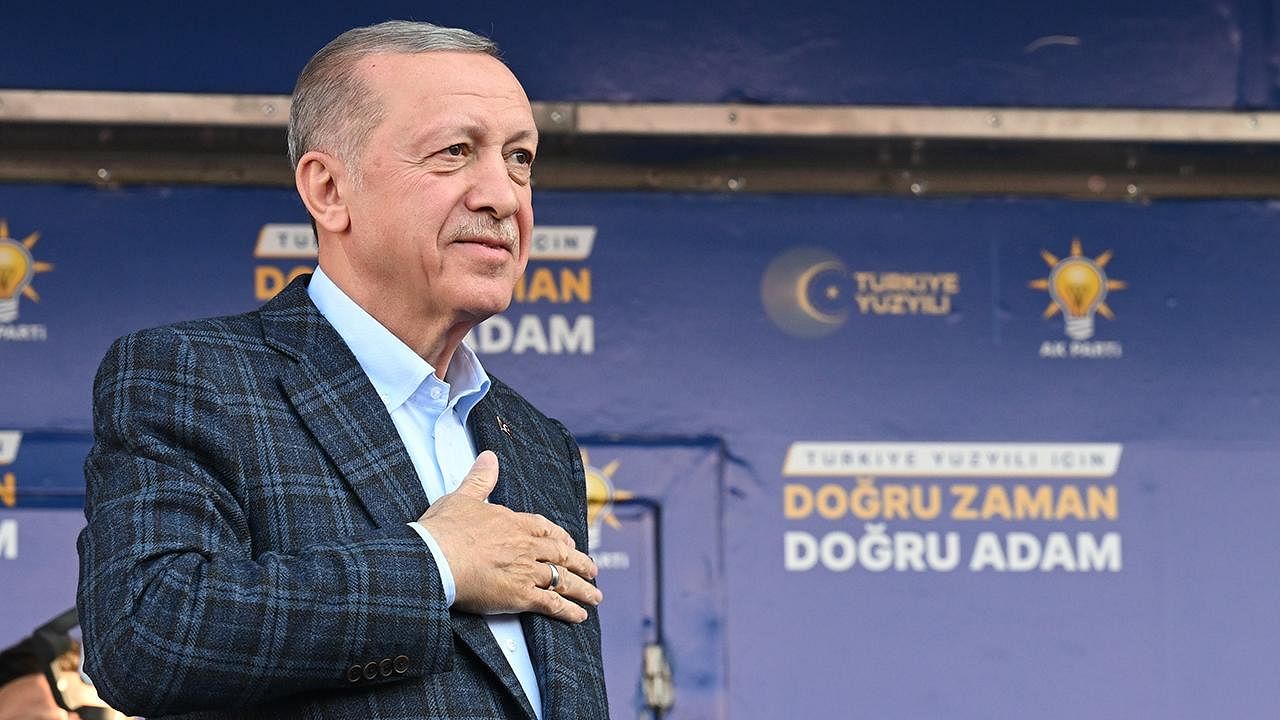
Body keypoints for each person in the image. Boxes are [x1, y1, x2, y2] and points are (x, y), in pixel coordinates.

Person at [76, 20, 609, 719]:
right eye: (455, 151)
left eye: (519, 158)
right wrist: (436, 565)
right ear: (328, 189)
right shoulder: (194, 376)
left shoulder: (539, 444)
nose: (504, 196)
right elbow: (146, 634)